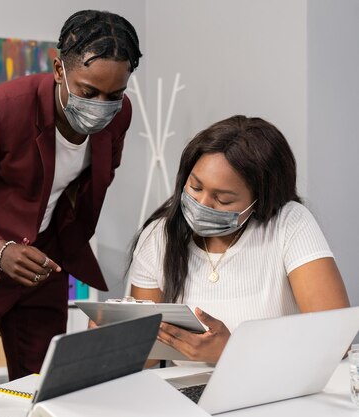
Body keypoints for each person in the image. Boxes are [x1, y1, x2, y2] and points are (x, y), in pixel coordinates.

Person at [0, 9, 143, 390]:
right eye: (88, 91)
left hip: (42, 265)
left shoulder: (119, 116)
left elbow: (95, 177)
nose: (101, 105)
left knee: (42, 388)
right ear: (58, 70)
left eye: (113, 95)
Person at [128, 115, 350, 363]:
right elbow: (145, 357)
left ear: (259, 200)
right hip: (185, 393)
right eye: (195, 187)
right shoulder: (159, 237)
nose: (202, 204)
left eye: (223, 199)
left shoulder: (290, 223)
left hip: (274, 391)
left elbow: (336, 341)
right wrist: (116, 341)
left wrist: (232, 351)